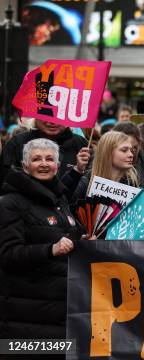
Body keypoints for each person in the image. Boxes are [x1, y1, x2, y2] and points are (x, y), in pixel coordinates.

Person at [0, 139, 84, 341]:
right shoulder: (9, 202)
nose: (44, 164)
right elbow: (7, 255)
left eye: (49, 159)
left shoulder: (59, 198)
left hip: (60, 312)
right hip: (26, 321)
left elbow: (62, 235)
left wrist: (82, 239)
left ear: (58, 165)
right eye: (36, 159)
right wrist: (50, 250)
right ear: (25, 165)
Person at [1, 119, 88, 185]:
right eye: (47, 114)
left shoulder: (81, 144)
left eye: (59, 116)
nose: (52, 122)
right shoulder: (17, 143)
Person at [74, 131, 139, 200]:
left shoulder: (133, 185)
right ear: (107, 153)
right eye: (124, 150)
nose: (131, 155)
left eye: (131, 150)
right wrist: (77, 171)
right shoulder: (86, 183)